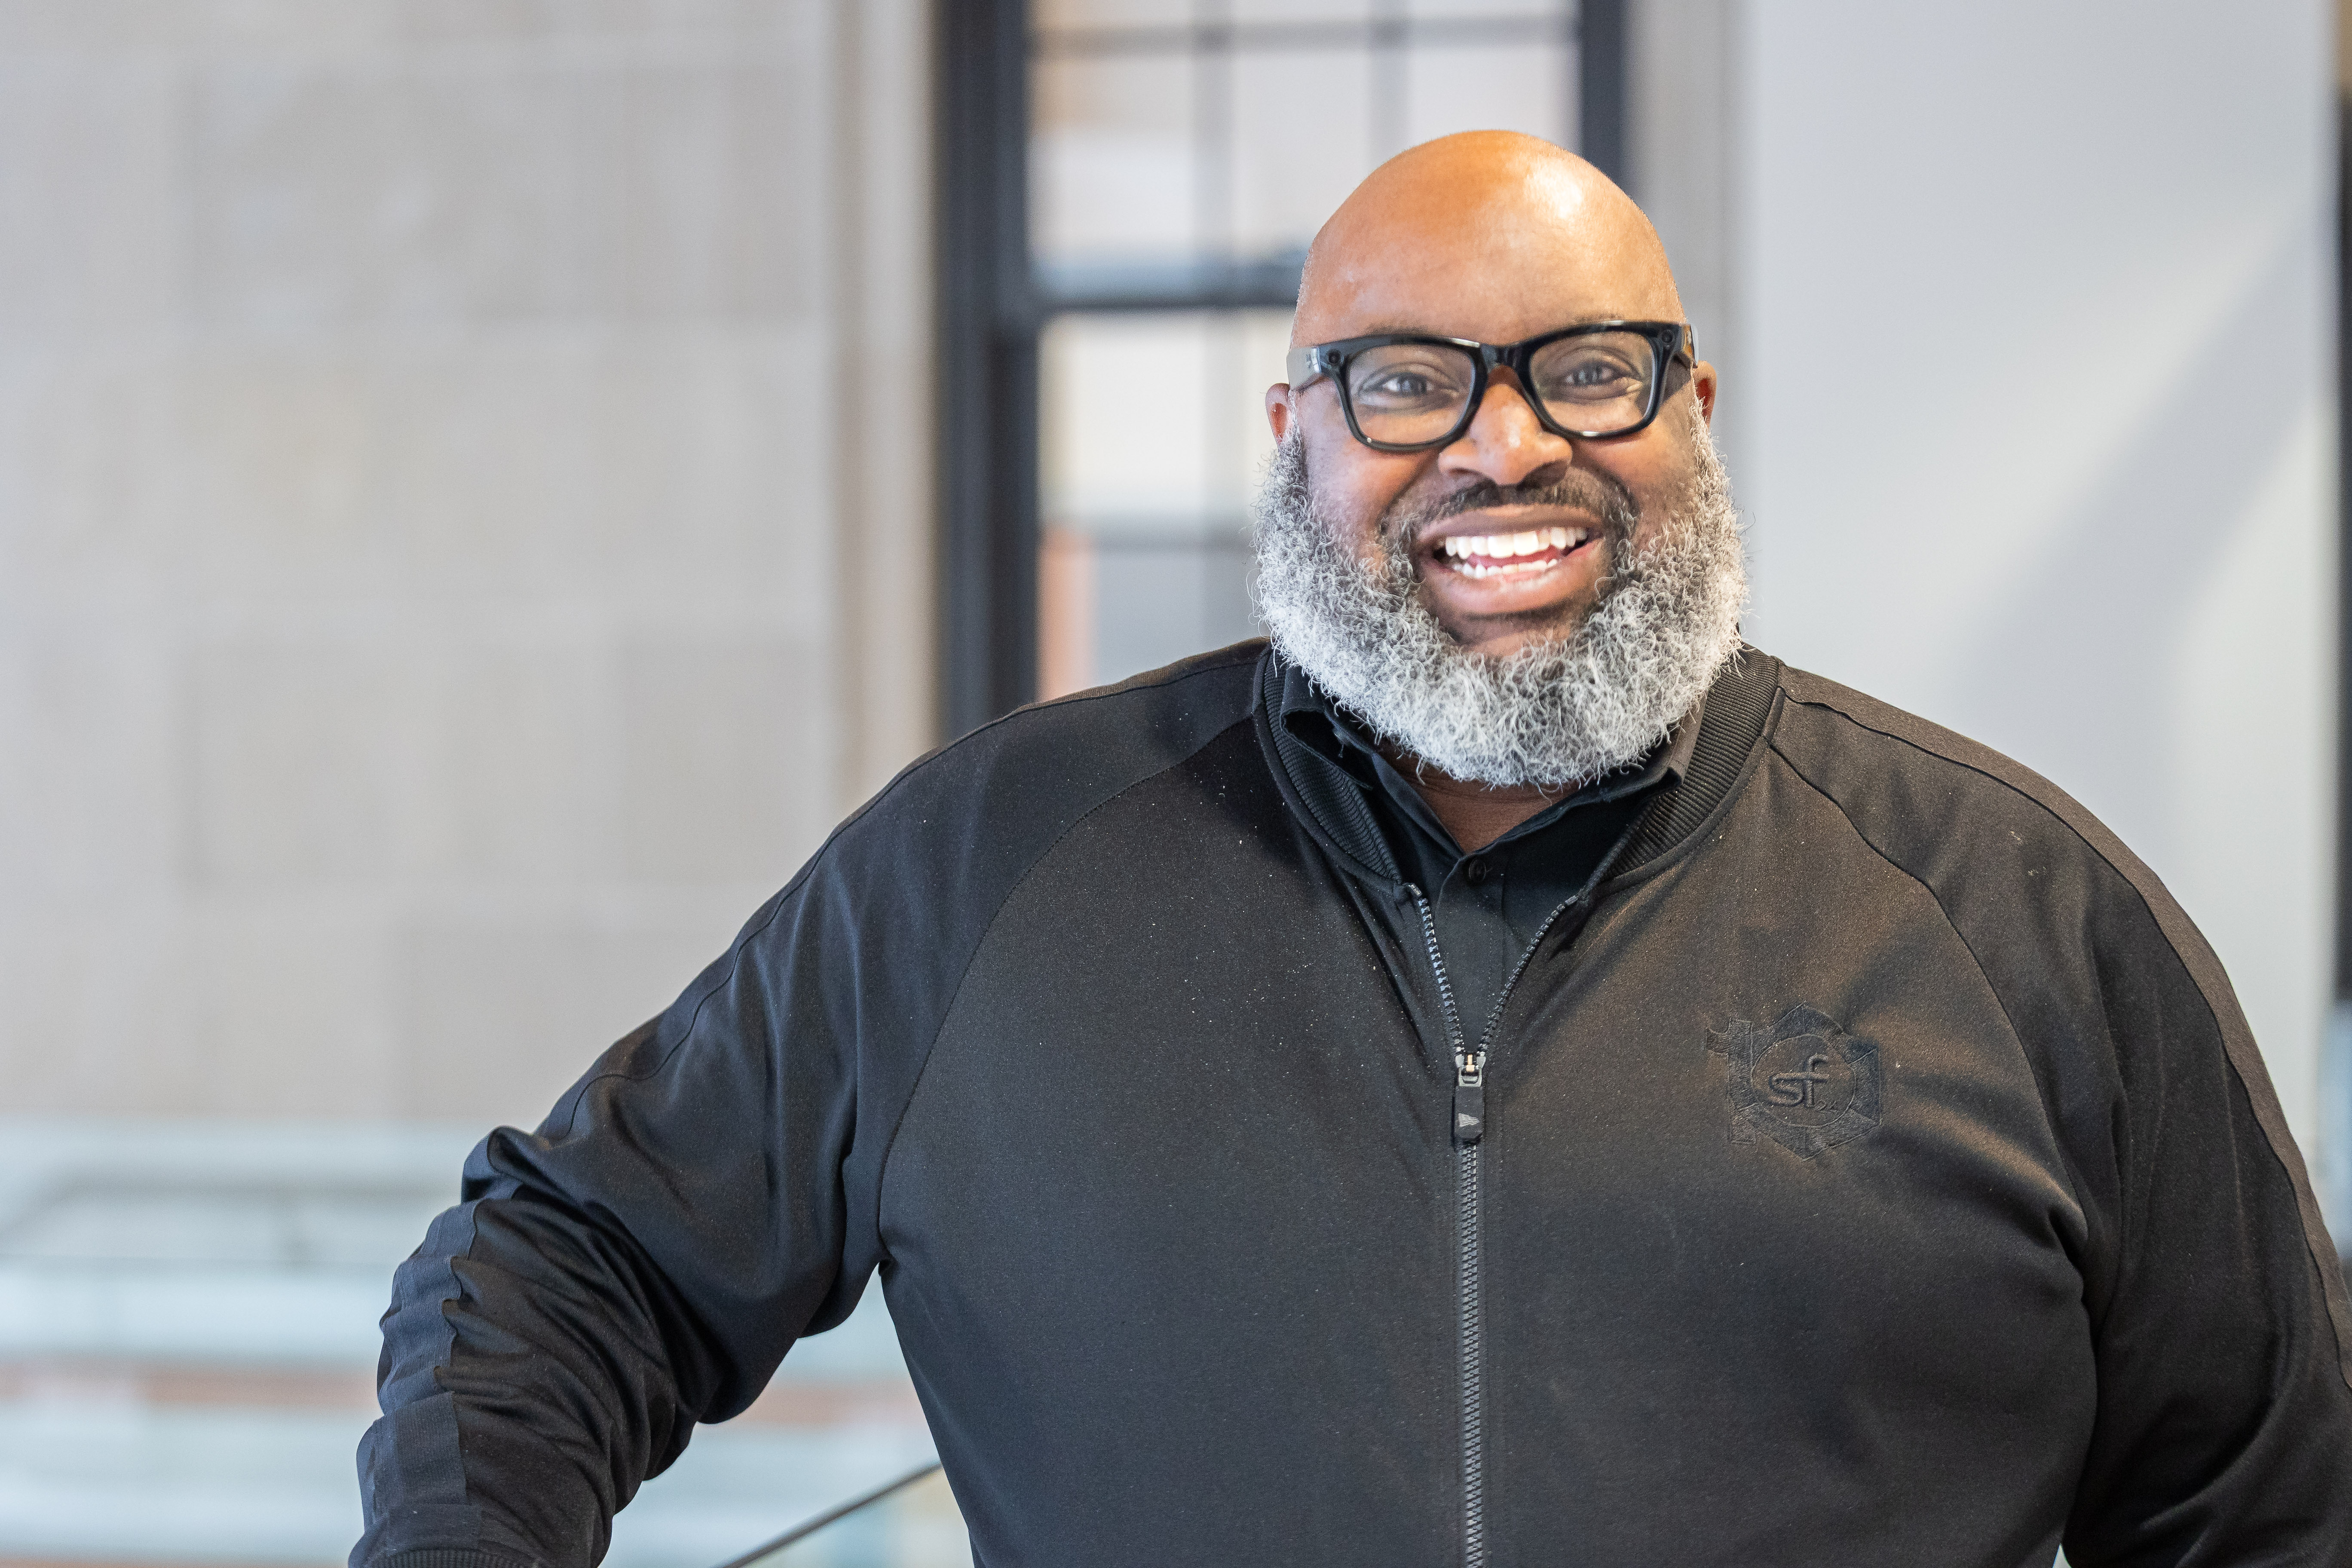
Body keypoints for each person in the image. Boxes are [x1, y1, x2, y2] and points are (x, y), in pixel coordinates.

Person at [353, 132, 2352, 1568]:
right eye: (1407, 382)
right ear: (1292, 428)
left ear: (1692, 412)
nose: (1506, 448)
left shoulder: (2019, 914)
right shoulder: (980, 870)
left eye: (1589, 369)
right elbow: (568, 1254)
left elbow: (2278, 1501)